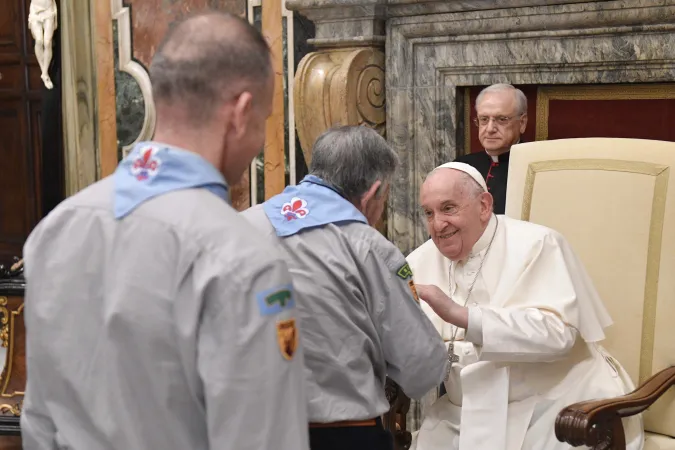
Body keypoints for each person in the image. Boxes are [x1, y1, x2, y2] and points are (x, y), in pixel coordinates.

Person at [21, 12, 309, 450]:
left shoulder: (56, 228)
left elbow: (39, 421)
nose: (258, 144)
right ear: (242, 112)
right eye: (264, 120)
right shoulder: (243, 259)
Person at [407, 162, 644, 450]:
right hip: (461, 415)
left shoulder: (538, 244)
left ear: (483, 205)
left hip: (554, 407)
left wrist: (465, 317)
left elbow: (560, 335)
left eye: (448, 208)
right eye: (428, 213)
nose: (437, 224)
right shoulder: (417, 262)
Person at [241, 126, 448, 450]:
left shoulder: (239, 226)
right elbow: (422, 367)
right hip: (338, 434)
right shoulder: (368, 248)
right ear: (373, 193)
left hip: (245, 430)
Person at [455, 83, 528, 214]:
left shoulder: (536, 167)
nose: (490, 129)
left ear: (522, 123)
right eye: (484, 119)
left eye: (501, 119)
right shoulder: (460, 167)